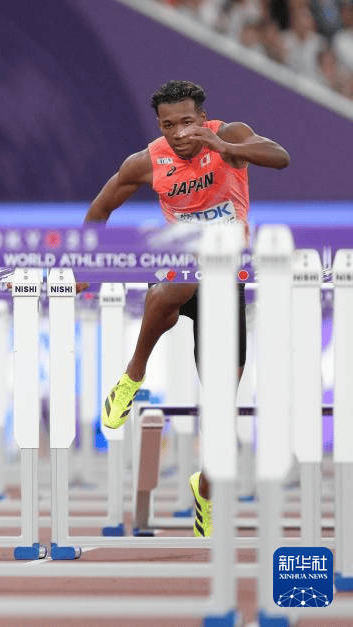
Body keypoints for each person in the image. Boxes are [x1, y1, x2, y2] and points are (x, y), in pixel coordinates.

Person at [85, 80, 289, 536]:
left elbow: (280, 157)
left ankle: (205, 489)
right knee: (171, 287)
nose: (178, 133)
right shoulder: (146, 162)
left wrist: (222, 147)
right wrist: (82, 265)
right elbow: (99, 210)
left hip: (227, 281)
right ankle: (132, 377)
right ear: (159, 126)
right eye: (168, 125)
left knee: (220, 420)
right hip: (180, 268)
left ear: (202, 118)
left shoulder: (230, 136)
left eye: (187, 123)